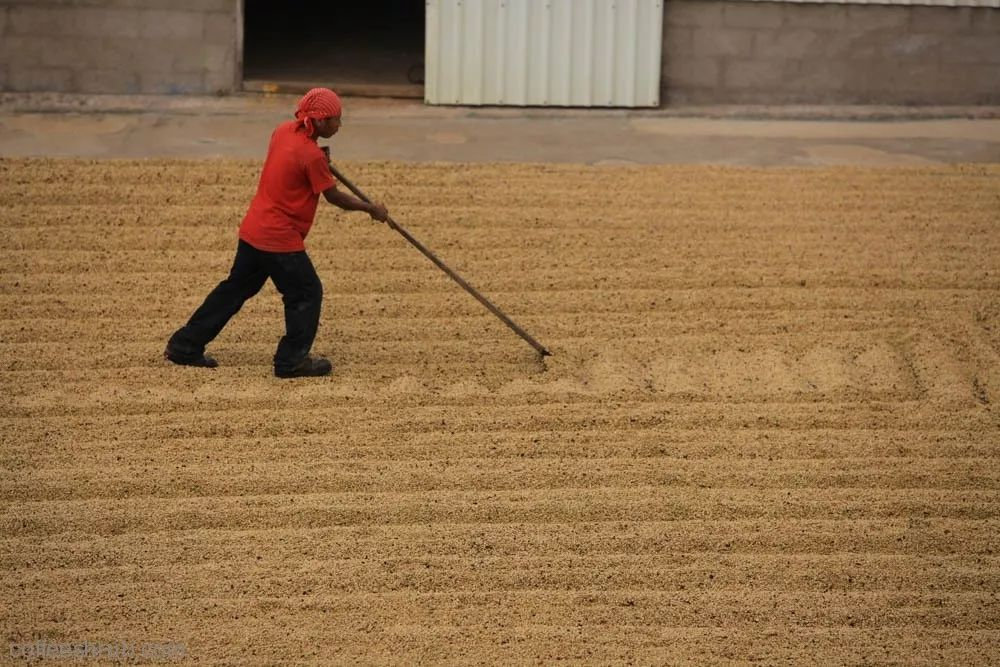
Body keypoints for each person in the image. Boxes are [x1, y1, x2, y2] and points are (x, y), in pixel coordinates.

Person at [164, 88, 388, 378]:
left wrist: (319, 158)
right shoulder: (311, 156)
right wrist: (370, 209)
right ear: (320, 121)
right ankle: (291, 361)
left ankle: (184, 346)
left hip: (254, 229)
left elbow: (294, 160)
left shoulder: (284, 132)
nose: (339, 125)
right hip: (279, 239)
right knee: (306, 292)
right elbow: (334, 197)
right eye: (336, 119)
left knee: (234, 290)